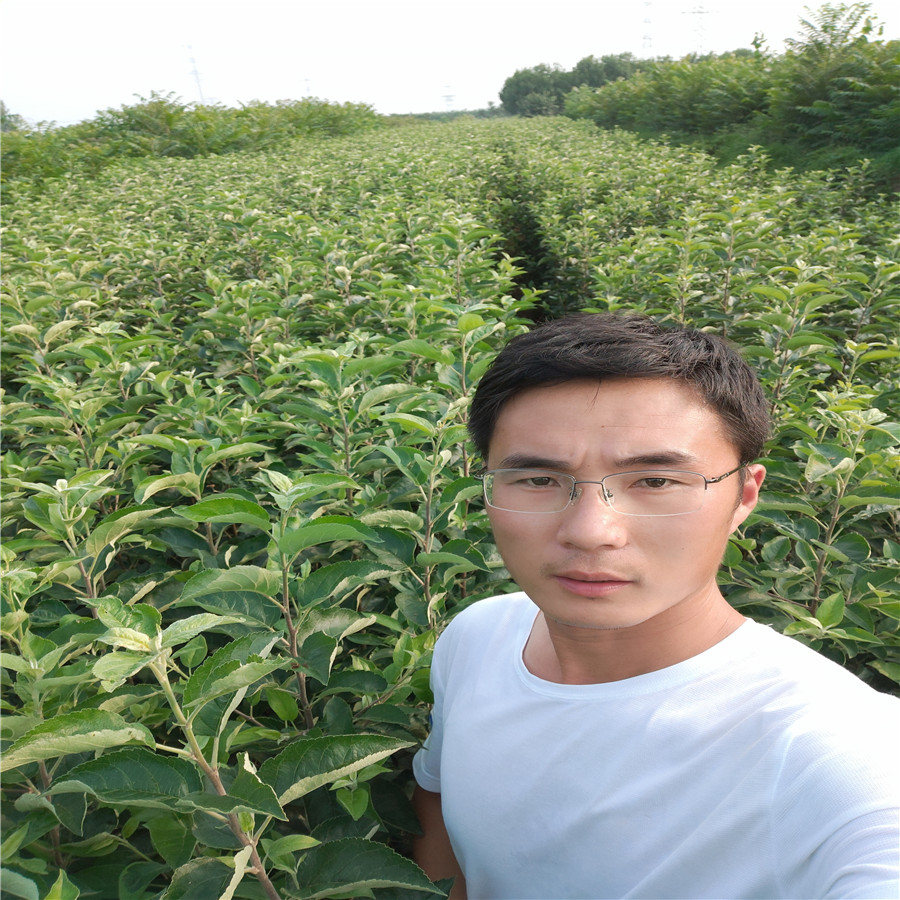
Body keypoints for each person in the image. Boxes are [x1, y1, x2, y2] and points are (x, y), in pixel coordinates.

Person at [411, 313, 900, 900]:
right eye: (538, 479)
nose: (592, 532)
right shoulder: (477, 637)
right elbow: (437, 805)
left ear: (745, 495)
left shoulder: (833, 747)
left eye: (657, 481)